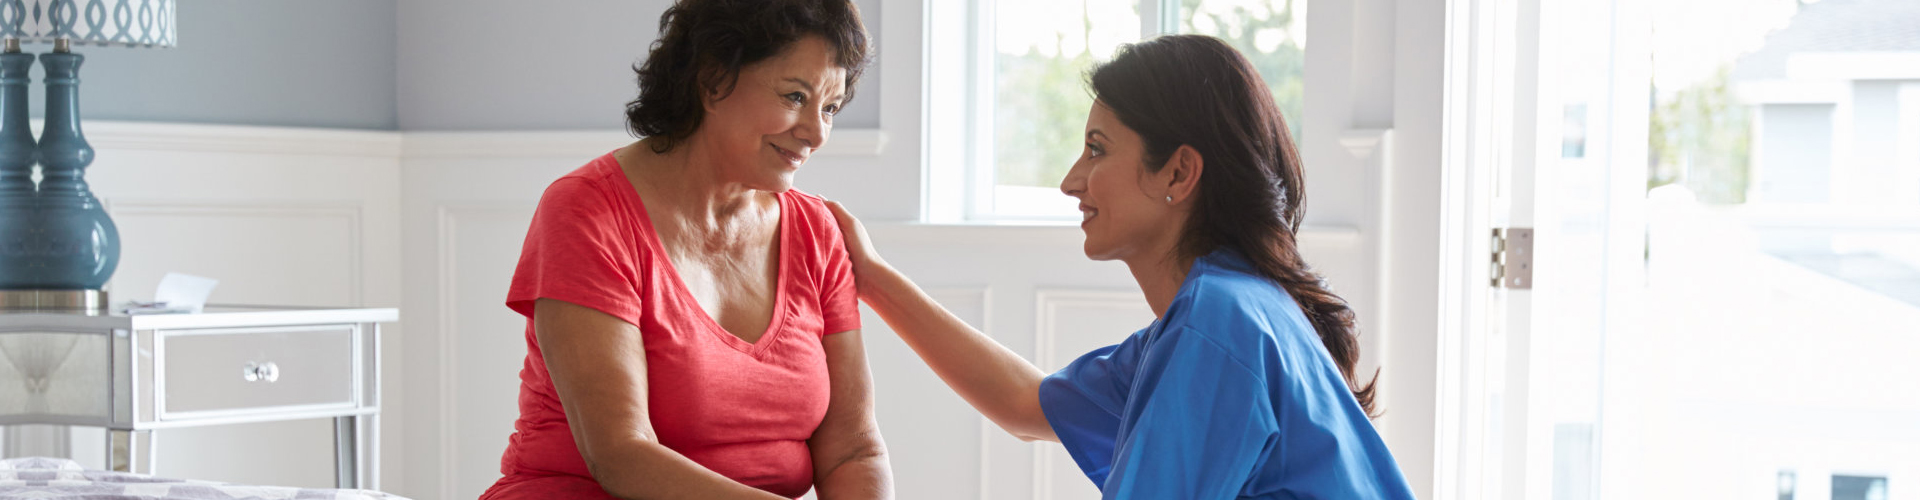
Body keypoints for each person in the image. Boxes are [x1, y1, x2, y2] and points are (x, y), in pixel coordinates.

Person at [826, 34, 1414, 499]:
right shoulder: (1226, 307)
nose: (1070, 181)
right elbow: (1026, 403)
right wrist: (872, 277)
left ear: (1179, 173)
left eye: (1098, 149)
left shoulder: (1218, 323)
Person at [480, 1, 891, 499]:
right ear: (714, 81)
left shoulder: (816, 230)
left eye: (829, 107)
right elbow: (620, 454)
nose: (816, 131)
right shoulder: (586, 209)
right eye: (794, 96)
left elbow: (853, 449)